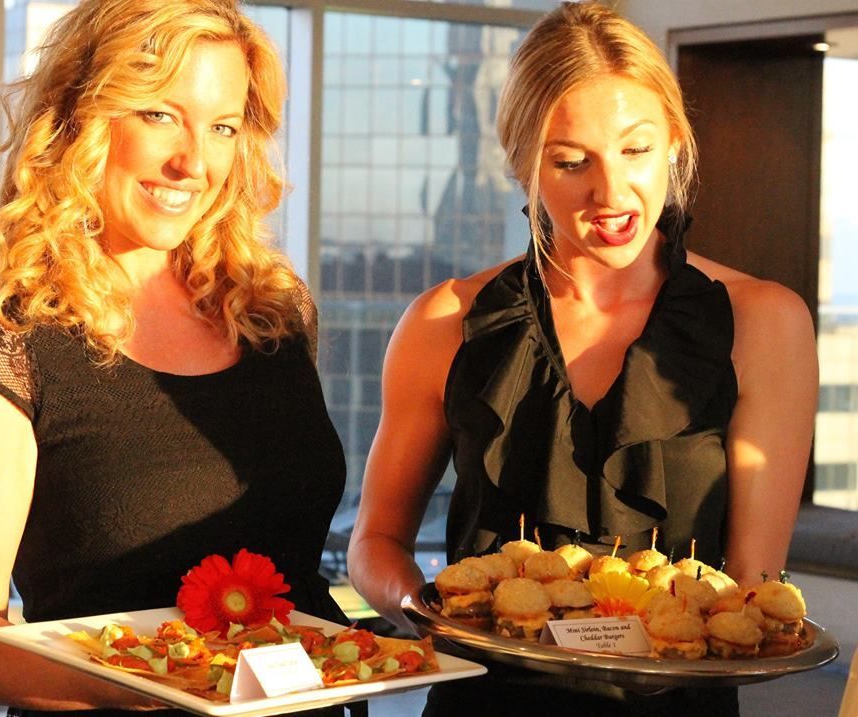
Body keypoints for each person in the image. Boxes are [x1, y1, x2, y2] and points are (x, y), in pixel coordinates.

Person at [347, 3, 817, 715]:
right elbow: (375, 543)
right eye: (571, 162)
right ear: (522, 165)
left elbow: (752, 579)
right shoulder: (444, 322)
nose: (611, 192)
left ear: (674, 145)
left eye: (635, 149)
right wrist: (430, 610)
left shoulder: (764, 323)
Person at [0, 1, 350, 715]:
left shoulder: (269, 317)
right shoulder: (5, 345)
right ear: (82, 117)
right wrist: (161, 685)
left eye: (222, 127)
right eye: (158, 114)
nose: (193, 161)